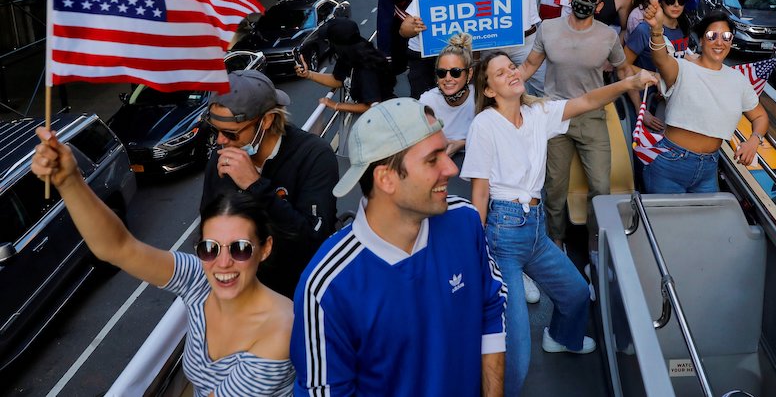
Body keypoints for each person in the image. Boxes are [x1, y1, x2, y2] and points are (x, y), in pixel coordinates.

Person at [32, 132, 295, 395]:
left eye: (239, 249)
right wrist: (69, 180)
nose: (222, 263)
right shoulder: (200, 281)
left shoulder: (279, 328)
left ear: (265, 249)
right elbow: (119, 248)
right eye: (209, 249)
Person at [463, 51, 656, 397]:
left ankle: (560, 337)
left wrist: (627, 82)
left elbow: (586, 100)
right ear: (489, 90)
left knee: (577, 294)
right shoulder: (484, 125)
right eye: (500, 73)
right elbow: (479, 194)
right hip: (503, 233)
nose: (511, 73)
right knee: (517, 350)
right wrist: (477, 254)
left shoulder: (538, 113)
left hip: (535, 231)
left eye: (512, 67)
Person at [291, 98, 507, 397]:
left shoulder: (465, 221)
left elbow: (491, 310)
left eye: (445, 152)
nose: (451, 169)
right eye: (433, 159)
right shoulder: (326, 287)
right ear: (386, 179)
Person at [201, 70, 340, 298]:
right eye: (215, 131)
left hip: (297, 294)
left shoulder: (314, 155)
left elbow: (313, 240)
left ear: (266, 120)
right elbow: (209, 225)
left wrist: (255, 186)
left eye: (230, 133)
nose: (220, 141)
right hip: (242, 293)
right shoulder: (221, 158)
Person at [519, 0, 631, 249]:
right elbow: (528, 67)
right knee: (554, 188)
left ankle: (597, 243)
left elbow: (624, 71)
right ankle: (556, 240)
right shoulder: (548, 28)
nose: (584, 2)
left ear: (600, 6)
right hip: (555, 115)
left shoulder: (608, 37)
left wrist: (642, 107)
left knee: (601, 187)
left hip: (592, 115)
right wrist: (501, 88)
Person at [641, 7, 769, 194]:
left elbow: (760, 116)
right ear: (701, 40)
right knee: (666, 223)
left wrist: (753, 141)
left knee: (704, 223)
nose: (720, 42)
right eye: (712, 35)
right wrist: (656, 30)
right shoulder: (682, 68)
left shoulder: (738, 80)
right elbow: (661, 59)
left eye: (726, 36)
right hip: (670, 164)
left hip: (709, 168)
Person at [399, 0, 482, 98]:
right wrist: (413, 27)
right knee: (423, 103)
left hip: (459, 57)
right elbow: (403, 30)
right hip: (423, 56)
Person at [624, 0, 697, 133]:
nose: (676, 5)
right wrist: (641, 111)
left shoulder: (683, 28)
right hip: (644, 100)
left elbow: (680, 58)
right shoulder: (644, 30)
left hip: (673, 101)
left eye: (681, 0)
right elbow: (623, 67)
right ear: (661, 2)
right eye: (670, 0)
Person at [296, 17, 395, 115]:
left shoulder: (366, 67)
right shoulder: (347, 58)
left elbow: (372, 105)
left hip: (384, 116)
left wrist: (336, 105)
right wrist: (309, 74)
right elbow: (338, 80)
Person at [418, 32, 476, 157]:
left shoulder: (480, 98)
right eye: (441, 72)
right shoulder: (427, 101)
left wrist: (461, 144)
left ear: (469, 74)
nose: (448, 78)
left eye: (455, 72)